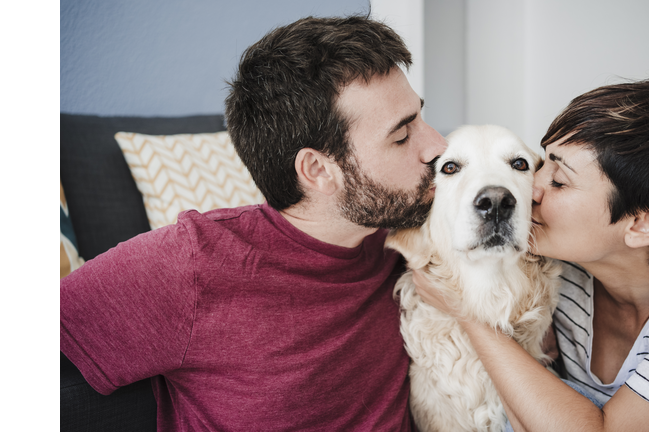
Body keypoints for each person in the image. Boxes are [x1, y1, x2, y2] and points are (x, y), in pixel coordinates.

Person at [60, 16, 445, 431]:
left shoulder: (410, 231)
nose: (438, 145)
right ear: (317, 170)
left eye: (420, 118)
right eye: (402, 136)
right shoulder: (190, 265)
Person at [413, 77, 649, 431]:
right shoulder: (557, 271)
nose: (527, 190)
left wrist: (466, 314)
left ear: (641, 223)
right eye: (541, 163)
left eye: (559, 181)